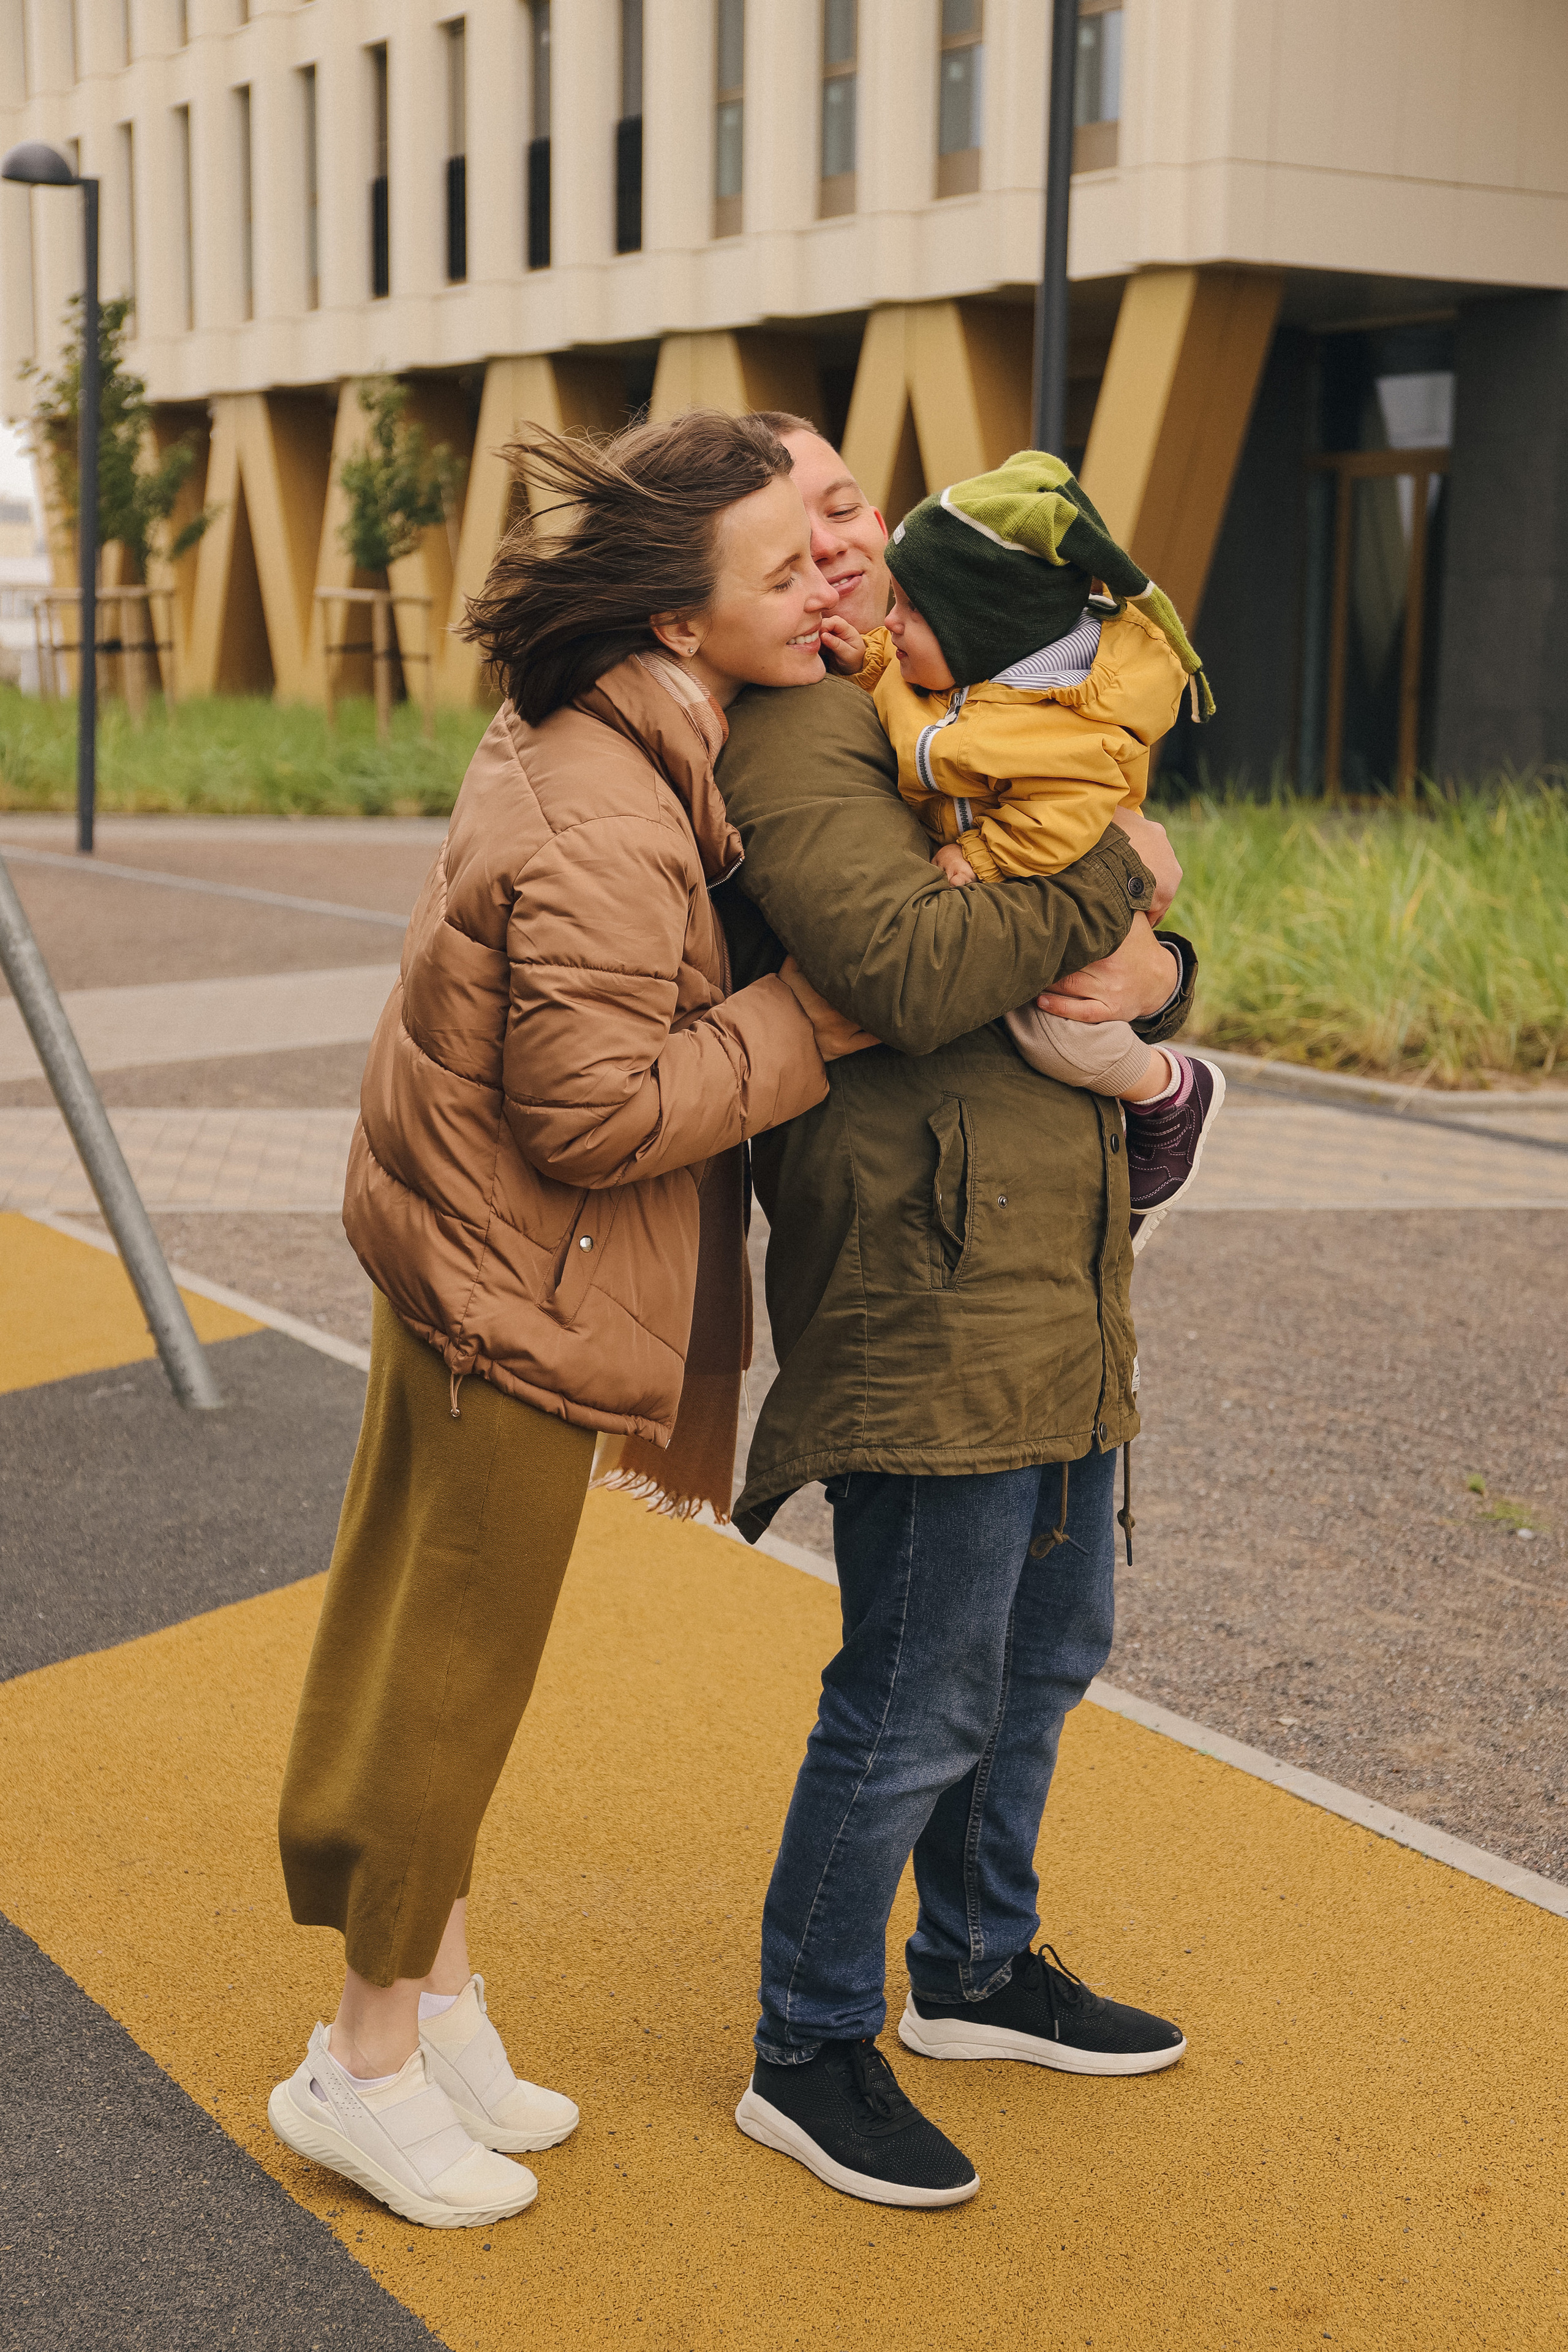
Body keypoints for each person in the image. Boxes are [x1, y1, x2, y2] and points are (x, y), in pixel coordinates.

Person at [268, 410, 875, 2231]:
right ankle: (357, 2066)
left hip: (463, 1258)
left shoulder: (616, 721)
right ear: (683, 622)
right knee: (447, 1677)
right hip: (506, 1290)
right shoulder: (614, 803)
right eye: (787, 564)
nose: (828, 577)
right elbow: (596, 1113)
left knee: (438, 1650)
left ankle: (437, 2009)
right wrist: (817, 1026)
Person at [707, 417, 1197, 2210]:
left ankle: (977, 1968)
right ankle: (806, 2041)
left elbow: (1110, 953)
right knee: (913, 1693)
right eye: (809, 525)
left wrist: (1160, 961)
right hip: (921, 1280)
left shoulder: (965, 698)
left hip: (1057, 1270)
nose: (848, 549)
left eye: (858, 508)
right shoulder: (802, 734)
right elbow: (912, 972)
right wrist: (1123, 879)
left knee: (1050, 1655)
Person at [821, 447, 1226, 1254]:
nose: (889, 625)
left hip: (1051, 879)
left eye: (910, 610)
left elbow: (1066, 821)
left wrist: (983, 861)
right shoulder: (945, 673)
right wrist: (860, 656)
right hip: (1041, 917)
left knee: (1061, 1033)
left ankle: (1168, 1092)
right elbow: (895, 682)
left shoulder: (1059, 725)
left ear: (984, 632)